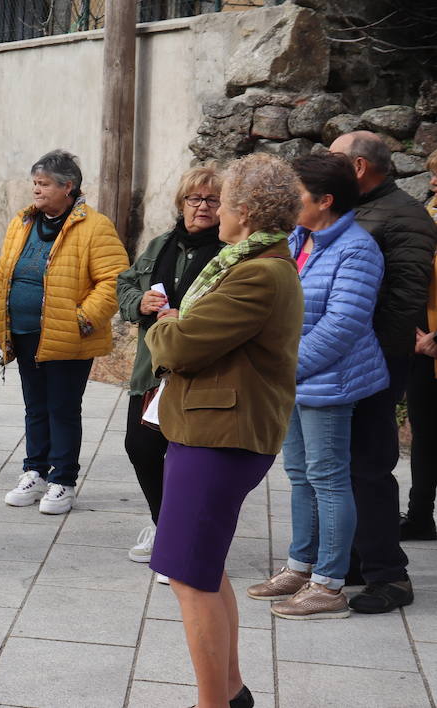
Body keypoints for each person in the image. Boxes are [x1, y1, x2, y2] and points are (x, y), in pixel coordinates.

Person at [144, 153, 304, 708]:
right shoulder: (248, 264)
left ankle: (212, 703)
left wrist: (166, 326)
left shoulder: (258, 273)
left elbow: (180, 344)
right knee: (201, 569)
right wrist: (178, 324)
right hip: (210, 431)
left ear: (242, 210)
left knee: (188, 575)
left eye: (225, 198)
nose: (216, 207)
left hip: (221, 437)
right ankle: (230, 692)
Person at [246, 152, 386, 620]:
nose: (289, 202)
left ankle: (329, 584)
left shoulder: (357, 248)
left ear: (325, 201)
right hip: (294, 377)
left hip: (327, 381)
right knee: (300, 474)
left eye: (297, 195)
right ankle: (300, 565)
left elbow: (343, 324)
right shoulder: (296, 238)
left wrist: (283, 367)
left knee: (328, 478)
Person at [329, 130, 437, 613]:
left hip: (373, 362)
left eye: (333, 158)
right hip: (345, 359)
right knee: (339, 465)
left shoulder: (405, 216)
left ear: (357, 167)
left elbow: (405, 301)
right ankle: (351, 560)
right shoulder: (355, 209)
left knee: (369, 465)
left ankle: (389, 576)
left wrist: (373, 360)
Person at [0, 149, 127, 515]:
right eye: (34, 183)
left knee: (63, 408)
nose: (36, 190)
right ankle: (35, 470)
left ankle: (62, 479)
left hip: (68, 336)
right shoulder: (23, 222)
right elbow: (4, 273)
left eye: (44, 184)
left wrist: (82, 320)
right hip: (24, 331)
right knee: (35, 407)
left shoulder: (95, 227)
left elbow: (114, 280)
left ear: (69, 187)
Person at [116, 165, 224, 567]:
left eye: (212, 200)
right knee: (141, 447)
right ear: (181, 204)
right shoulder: (161, 245)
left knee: (188, 456)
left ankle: (183, 537)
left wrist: (187, 317)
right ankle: (165, 525)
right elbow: (125, 282)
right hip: (152, 370)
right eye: (194, 199)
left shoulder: (228, 251)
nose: (202, 207)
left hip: (197, 371)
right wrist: (139, 302)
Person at [403, 149, 437, 541]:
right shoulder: (427, 218)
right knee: (426, 435)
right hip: (422, 349)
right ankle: (420, 516)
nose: (431, 184)